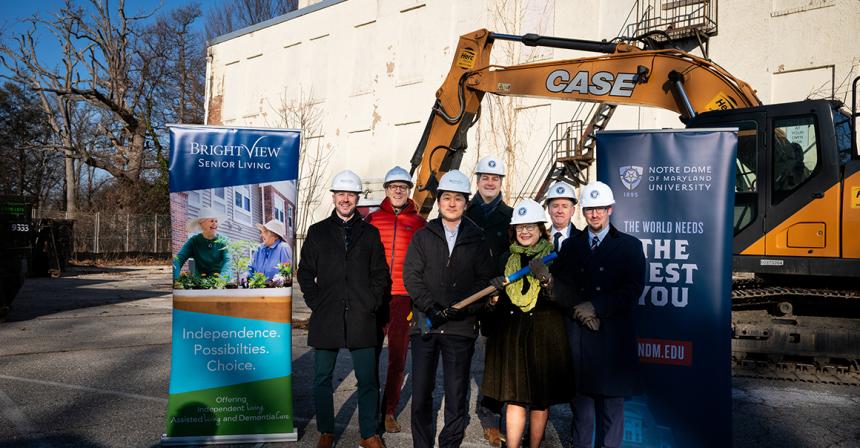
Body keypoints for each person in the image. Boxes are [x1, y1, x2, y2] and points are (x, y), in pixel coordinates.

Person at [297, 170, 391, 448]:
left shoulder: (370, 233)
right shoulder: (317, 232)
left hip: (362, 315)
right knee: (322, 377)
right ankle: (326, 431)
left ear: (357, 198)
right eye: (341, 194)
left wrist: (371, 302)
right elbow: (305, 273)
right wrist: (316, 302)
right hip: (327, 315)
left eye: (351, 194)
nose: (346, 199)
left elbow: (380, 274)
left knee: (368, 379)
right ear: (334, 197)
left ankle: (368, 433)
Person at [403, 169, 495, 448]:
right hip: (426, 326)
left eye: (458, 198)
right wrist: (430, 308)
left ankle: (450, 444)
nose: (452, 203)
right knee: (421, 393)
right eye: (446, 198)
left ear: (466, 203)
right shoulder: (423, 235)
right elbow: (412, 276)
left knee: (456, 394)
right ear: (439, 201)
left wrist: (462, 309)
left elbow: (484, 280)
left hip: (460, 327)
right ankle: (422, 443)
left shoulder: (477, 238)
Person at [550, 181, 646, 448]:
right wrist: (579, 310)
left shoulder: (629, 246)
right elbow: (560, 287)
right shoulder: (571, 246)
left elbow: (633, 289)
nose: (594, 214)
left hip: (612, 339)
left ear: (610, 209)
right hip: (580, 338)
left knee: (611, 412)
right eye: (590, 209)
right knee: (582, 413)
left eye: (600, 209)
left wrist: (596, 307)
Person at [481, 199, 574, 448]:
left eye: (530, 227)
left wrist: (548, 280)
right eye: (520, 227)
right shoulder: (505, 259)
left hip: (544, 336)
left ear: (541, 229)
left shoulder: (556, 258)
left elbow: (566, 297)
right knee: (515, 398)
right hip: (513, 336)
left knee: (540, 400)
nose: (525, 231)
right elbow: (493, 310)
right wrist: (493, 298)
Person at [365, 166, 427, 433]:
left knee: (398, 358)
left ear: (409, 191)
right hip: (376, 297)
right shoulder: (372, 219)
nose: (398, 190)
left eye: (403, 186)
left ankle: (389, 410)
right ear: (386, 190)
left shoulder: (420, 223)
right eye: (393, 186)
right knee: (370, 354)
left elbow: (425, 262)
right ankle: (369, 408)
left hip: (404, 298)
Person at [464, 155, 512, 446]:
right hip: (469, 295)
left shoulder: (510, 215)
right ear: (478, 181)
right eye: (485, 178)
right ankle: (457, 411)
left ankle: (491, 417)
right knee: (460, 358)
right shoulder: (463, 211)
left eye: (495, 178)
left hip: (499, 298)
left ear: (501, 182)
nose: (490, 182)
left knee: (495, 360)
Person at [173, 207, 232, 281]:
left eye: (216, 221)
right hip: (200, 282)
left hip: (222, 282)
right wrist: (175, 279)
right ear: (201, 223)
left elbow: (228, 261)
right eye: (211, 221)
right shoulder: (194, 241)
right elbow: (178, 259)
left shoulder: (224, 241)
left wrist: (221, 280)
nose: (215, 223)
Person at [544, 180, 580, 252]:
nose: (560, 211)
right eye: (555, 206)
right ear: (548, 210)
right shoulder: (539, 239)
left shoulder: (583, 239)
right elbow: (534, 262)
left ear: (572, 211)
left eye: (564, 206)